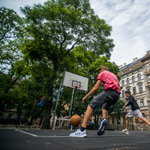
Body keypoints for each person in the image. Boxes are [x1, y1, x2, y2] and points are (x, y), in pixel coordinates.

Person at [70, 66, 121, 137]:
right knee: (105, 107)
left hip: (109, 92)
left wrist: (86, 96)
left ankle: (82, 130)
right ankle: (104, 120)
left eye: (100, 71)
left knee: (90, 105)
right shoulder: (114, 75)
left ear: (102, 70)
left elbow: (96, 87)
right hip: (117, 95)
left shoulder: (102, 73)